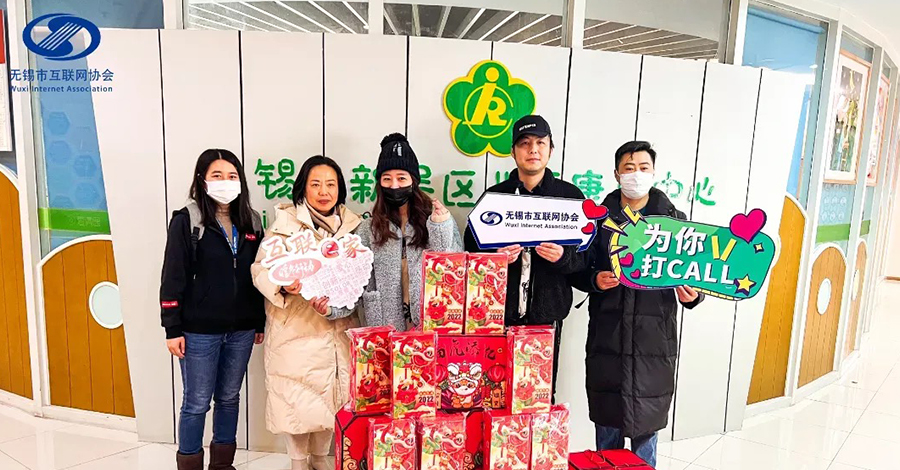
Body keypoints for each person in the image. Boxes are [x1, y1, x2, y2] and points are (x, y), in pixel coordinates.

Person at [571, 141, 703, 468]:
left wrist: (693, 295)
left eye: (644, 168)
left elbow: (696, 273)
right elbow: (578, 268)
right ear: (616, 174)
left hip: (653, 344)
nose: (636, 174)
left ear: (654, 173)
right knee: (607, 431)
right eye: (629, 169)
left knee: (646, 434)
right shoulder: (597, 221)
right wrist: (594, 279)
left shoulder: (675, 223)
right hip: (608, 339)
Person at [463, 115, 585, 398]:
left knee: (538, 398)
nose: (533, 150)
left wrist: (563, 257)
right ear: (513, 151)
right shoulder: (494, 198)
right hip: (497, 320)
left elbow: (585, 260)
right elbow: (470, 252)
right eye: (525, 143)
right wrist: (495, 259)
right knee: (495, 395)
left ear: (551, 149)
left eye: (540, 143)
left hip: (546, 321)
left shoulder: (569, 197)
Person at [251, 156, 360, 470]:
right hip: (295, 328)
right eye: (316, 184)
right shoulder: (284, 226)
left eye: (331, 184)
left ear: (340, 189)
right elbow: (260, 270)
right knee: (296, 398)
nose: (324, 192)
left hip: (336, 326)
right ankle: (298, 462)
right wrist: (283, 285)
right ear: (303, 189)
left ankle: (320, 458)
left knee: (331, 397)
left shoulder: (352, 228)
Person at [160, 149, 265, 470]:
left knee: (229, 398)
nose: (225, 182)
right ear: (202, 180)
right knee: (196, 402)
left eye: (232, 176)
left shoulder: (251, 221)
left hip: (242, 329)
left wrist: (259, 321)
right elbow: (172, 276)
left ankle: (222, 465)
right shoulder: (188, 220)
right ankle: (190, 463)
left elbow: (259, 275)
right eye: (217, 175)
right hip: (198, 331)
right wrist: (172, 327)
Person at [358, 133, 463, 331]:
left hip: (430, 327)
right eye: (387, 179)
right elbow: (356, 281)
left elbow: (454, 270)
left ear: (413, 180)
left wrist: (440, 227)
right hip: (386, 327)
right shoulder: (368, 228)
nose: (394, 185)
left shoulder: (437, 218)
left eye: (401, 178)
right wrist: (330, 308)